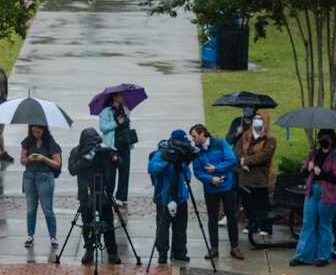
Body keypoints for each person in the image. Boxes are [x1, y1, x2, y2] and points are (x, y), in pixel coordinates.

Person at [291, 129, 336, 267]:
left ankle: (323, 256)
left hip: (328, 194)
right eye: (321, 138)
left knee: (324, 225)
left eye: (326, 138)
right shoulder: (314, 154)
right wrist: (308, 168)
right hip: (312, 192)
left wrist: (321, 173)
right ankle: (303, 256)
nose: (324, 141)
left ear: (332, 140)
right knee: (308, 223)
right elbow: (303, 173)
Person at [66, 128, 120, 265]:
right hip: (86, 194)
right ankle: (89, 249)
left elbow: (120, 163)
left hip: (104, 193)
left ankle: (112, 252)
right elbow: (72, 170)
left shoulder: (103, 150)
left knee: (108, 224)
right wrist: (87, 158)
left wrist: (111, 154)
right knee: (87, 224)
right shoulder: (76, 151)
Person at [188, 122, 242, 259]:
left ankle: (234, 247)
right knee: (212, 218)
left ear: (202, 134)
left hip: (227, 186)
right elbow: (198, 172)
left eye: (194, 136)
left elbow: (232, 160)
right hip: (210, 189)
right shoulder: (196, 151)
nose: (193, 139)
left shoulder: (220, 143)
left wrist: (216, 170)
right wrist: (210, 179)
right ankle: (213, 248)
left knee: (231, 216)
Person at [148, 128, 193, 265]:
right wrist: (167, 161)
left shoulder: (182, 154)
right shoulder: (161, 152)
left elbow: (188, 174)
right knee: (162, 227)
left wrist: (183, 164)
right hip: (164, 197)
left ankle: (179, 252)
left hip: (180, 196)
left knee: (180, 226)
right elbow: (152, 168)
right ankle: (162, 253)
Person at [234, 113, 277, 240]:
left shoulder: (270, 139)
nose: (257, 121)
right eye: (255, 119)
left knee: (262, 202)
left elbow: (265, 155)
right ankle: (252, 223)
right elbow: (238, 149)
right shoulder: (246, 135)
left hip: (260, 176)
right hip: (245, 175)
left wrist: (246, 161)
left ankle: (266, 226)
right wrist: (242, 161)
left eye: (260, 119)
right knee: (248, 202)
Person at [20, 121, 62, 249]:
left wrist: (43, 158)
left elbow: (57, 163)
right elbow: (22, 160)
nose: (36, 134)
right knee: (31, 208)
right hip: (29, 176)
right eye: (33, 132)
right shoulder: (27, 141)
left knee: (47, 209)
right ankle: (30, 235)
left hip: (45, 177)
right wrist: (29, 159)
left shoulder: (51, 143)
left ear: (44, 130)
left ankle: (53, 236)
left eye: (38, 132)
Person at [98, 93, 138, 204]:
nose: (123, 97)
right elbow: (103, 127)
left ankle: (122, 197)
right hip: (112, 146)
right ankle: (109, 197)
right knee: (110, 173)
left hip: (125, 145)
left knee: (125, 172)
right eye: (120, 95)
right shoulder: (106, 111)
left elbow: (127, 125)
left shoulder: (125, 110)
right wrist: (116, 123)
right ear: (114, 97)